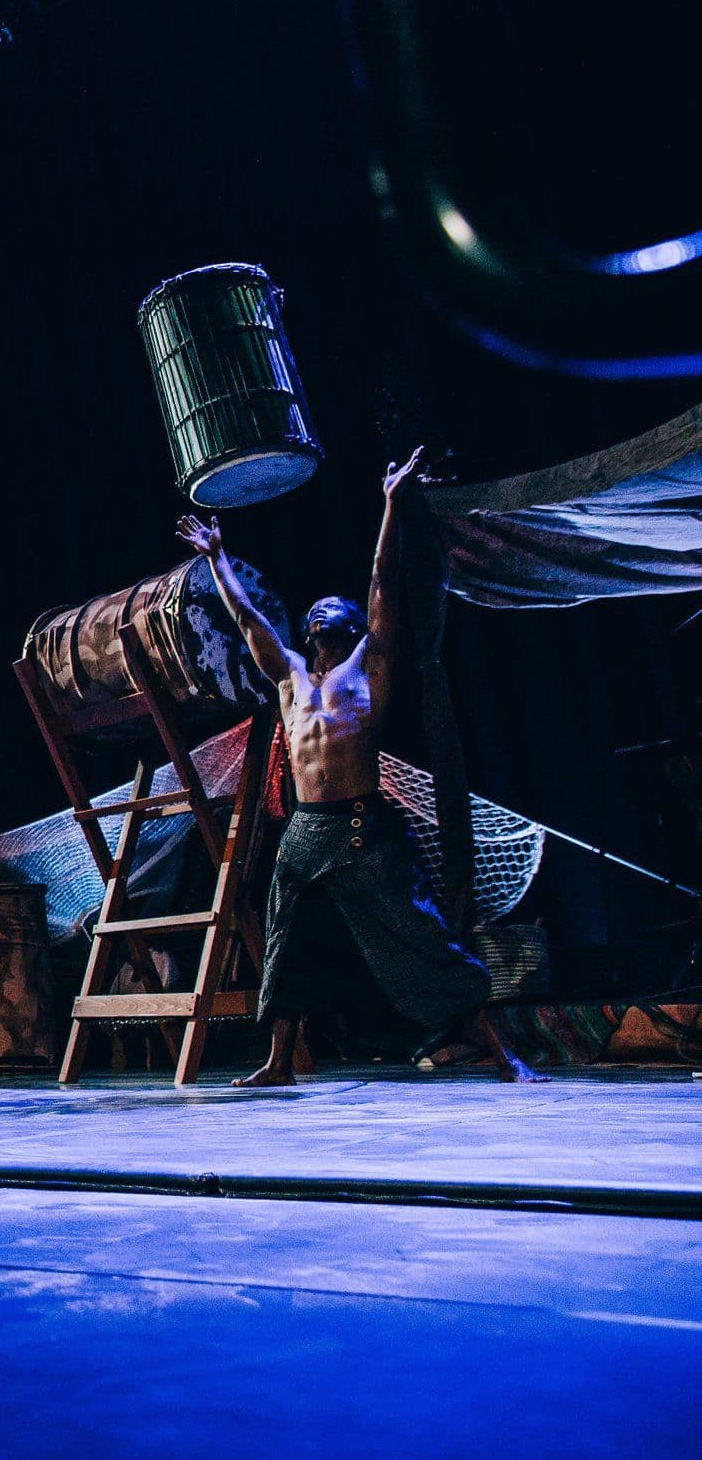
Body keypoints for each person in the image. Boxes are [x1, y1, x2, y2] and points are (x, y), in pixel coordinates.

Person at [176, 449, 545, 1085]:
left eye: (334, 607)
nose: (323, 610)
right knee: (287, 946)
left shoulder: (369, 669)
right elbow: (245, 619)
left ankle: (503, 1051)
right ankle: (279, 1063)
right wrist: (216, 559)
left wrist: (391, 504)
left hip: (361, 828)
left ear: (351, 624)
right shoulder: (290, 678)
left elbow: (381, 580)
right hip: (306, 832)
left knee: (425, 940)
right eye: (313, 609)